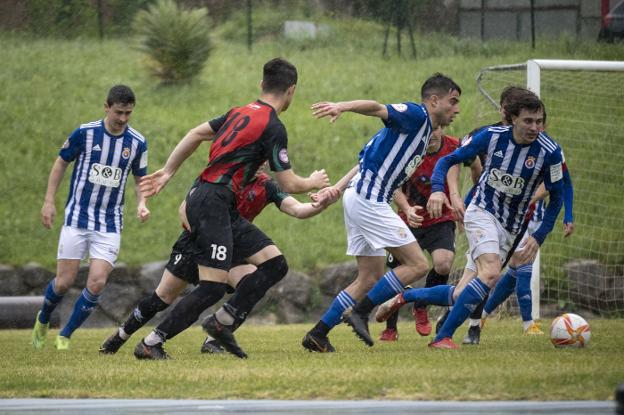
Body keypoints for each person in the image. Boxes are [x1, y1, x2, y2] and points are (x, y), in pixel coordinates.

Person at [133, 57, 330, 360]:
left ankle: (222, 323)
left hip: (218, 203)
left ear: (262, 84)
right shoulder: (273, 126)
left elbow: (195, 133)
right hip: (212, 201)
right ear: (291, 91)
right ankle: (152, 342)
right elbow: (289, 183)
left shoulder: (238, 113)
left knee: (275, 264)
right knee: (212, 287)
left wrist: (169, 170)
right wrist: (313, 181)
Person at [301, 73, 462, 353]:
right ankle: (361, 312)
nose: (457, 109)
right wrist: (342, 105)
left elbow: (364, 161)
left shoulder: (421, 136)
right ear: (435, 100)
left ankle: (318, 333)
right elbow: (377, 107)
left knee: (369, 277)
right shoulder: (416, 115)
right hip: (369, 199)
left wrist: (337, 190)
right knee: (418, 265)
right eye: (453, 101)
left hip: (359, 196)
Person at [394, 88, 565, 349]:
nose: (535, 127)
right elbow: (447, 161)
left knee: (463, 292)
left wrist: (539, 235)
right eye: (528, 121)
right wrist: (440, 190)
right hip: (481, 212)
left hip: (512, 226)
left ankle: (406, 297)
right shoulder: (490, 137)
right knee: (491, 273)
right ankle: (443, 338)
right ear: (512, 119)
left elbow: (558, 196)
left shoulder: (550, 152)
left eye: (539, 121)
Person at [99, 169, 332, 355]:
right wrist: (209, 238)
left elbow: (298, 210)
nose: (261, 161)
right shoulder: (219, 176)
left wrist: (320, 203)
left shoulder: (266, 185)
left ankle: (213, 339)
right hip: (195, 243)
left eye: (264, 157)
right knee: (162, 298)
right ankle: (120, 336)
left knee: (250, 284)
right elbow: (184, 210)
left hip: (233, 246)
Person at [31, 85, 150, 350]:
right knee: (63, 282)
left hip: (109, 223)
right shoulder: (85, 133)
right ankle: (43, 317)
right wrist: (49, 201)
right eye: (118, 112)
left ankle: (65, 335)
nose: (122, 118)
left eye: (128, 113)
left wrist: (142, 202)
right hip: (77, 217)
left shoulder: (137, 142)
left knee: (96, 282)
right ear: (106, 107)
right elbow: (61, 162)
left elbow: (140, 178)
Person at [373, 126, 479, 341]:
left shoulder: (453, 146)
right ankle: (390, 328)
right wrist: (407, 208)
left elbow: (476, 164)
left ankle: (421, 306)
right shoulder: (408, 149)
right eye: (428, 130)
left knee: (444, 263)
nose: (432, 135)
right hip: (409, 218)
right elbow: (394, 187)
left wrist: (469, 198)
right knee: (399, 270)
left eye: (436, 129)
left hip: (441, 219)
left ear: (443, 126)